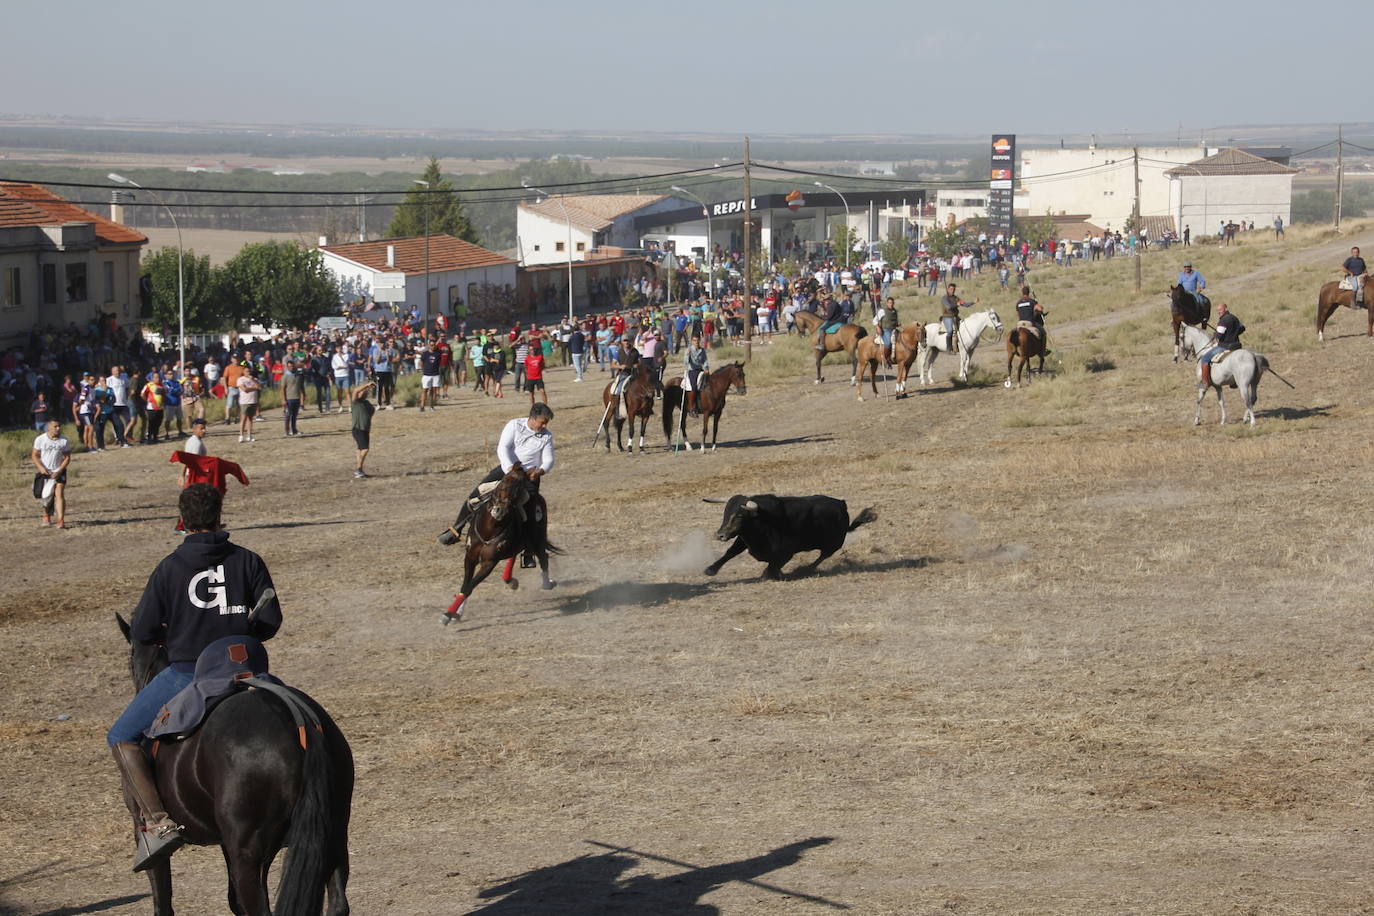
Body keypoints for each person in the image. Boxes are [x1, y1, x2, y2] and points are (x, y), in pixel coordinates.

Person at [107, 483, 282, 872]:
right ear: (220, 516)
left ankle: (158, 823)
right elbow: (270, 620)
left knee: (120, 736)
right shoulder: (249, 560)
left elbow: (144, 632)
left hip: (190, 672)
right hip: (250, 670)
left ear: (183, 520)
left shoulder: (170, 567)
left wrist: (177, 631)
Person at [438, 403, 555, 545]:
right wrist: (510, 469)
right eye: (542, 423)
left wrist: (540, 471)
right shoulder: (514, 425)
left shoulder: (546, 436)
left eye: (546, 423)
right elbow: (503, 448)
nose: (544, 426)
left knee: (531, 510)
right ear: (533, 417)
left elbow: (549, 459)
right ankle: (456, 529)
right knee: (476, 494)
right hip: (507, 470)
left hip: (529, 477)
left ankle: (528, 549)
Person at [31, 419, 71, 528]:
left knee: (59, 495)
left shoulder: (64, 440)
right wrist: (41, 468)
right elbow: (34, 455)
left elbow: (67, 457)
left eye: (59, 426)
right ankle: (46, 516)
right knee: (46, 496)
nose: (58, 428)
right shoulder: (40, 439)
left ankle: (61, 520)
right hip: (45, 471)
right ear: (49, 427)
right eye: (55, 426)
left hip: (59, 471)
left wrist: (60, 470)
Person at [1197, 301, 1244, 389]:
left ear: (1226, 309)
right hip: (1237, 345)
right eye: (1218, 310)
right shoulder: (1234, 318)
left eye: (1220, 310)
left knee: (1205, 359)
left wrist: (1215, 334)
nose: (1219, 312)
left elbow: (1218, 335)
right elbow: (1242, 328)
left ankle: (1205, 383)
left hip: (1224, 346)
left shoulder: (1223, 320)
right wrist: (1232, 333)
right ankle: (1234, 382)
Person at [351, 379, 376, 479]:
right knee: (365, 449)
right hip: (357, 428)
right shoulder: (355, 402)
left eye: (364, 392)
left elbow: (372, 412)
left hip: (365, 429)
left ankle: (359, 469)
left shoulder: (367, 403)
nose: (362, 392)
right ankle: (358, 469)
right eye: (362, 391)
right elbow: (355, 391)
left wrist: (368, 389)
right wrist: (367, 385)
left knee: (360, 449)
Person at [1014, 285, 1049, 354]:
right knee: (1043, 332)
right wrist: (1037, 303)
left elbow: (1017, 314)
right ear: (1028, 293)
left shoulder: (1018, 303)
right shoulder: (1031, 301)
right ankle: (1043, 350)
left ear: (1022, 293)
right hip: (1029, 323)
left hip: (1020, 323)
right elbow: (1040, 309)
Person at [682, 333, 709, 415]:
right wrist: (687, 354)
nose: (696, 342)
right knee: (694, 387)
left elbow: (705, 360)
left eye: (697, 340)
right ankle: (692, 407)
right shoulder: (689, 350)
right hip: (692, 370)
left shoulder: (702, 350)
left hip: (700, 370)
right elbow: (685, 362)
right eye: (694, 340)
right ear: (692, 341)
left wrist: (706, 368)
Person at [940, 284, 972, 351]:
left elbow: (964, 304)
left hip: (955, 316)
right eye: (951, 289)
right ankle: (949, 348)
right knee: (950, 331)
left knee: (964, 327)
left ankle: (961, 345)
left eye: (954, 290)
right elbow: (949, 306)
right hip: (947, 317)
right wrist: (956, 304)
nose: (952, 291)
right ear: (948, 289)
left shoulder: (956, 298)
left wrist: (973, 302)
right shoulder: (944, 298)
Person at [236, 366, 261, 443]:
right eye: (247, 371)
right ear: (243, 372)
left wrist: (252, 380)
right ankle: (241, 435)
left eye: (249, 371)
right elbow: (245, 389)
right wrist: (254, 388)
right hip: (244, 402)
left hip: (253, 401)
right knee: (243, 419)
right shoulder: (240, 379)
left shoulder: (254, 379)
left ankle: (249, 435)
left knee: (250, 419)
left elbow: (259, 387)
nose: (248, 373)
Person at [280, 359, 304, 436]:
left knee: (294, 415)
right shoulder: (285, 376)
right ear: (287, 367)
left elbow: (301, 386)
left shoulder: (298, 375)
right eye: (289, 366)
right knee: (288, 415)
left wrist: (303, 395)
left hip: (296, 398)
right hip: (289, 398)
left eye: (292, 366)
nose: (291, 368)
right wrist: (283, 399)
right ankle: (287, 431)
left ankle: (294, 430)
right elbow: (282, 388)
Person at [875, 297, 900, 366]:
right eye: (889, 303)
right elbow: (875, 320)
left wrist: (897, 324)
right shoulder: (882, 311)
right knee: (888, 343)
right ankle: (884, 358)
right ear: (887, 303)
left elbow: (895, 321)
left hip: (894, 329)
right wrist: (878, 328)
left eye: (892, 303)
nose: (891, 304)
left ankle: (896, 357)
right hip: (885, 329)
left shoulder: (894, 311)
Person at [418, 344, 441, 412]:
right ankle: (422, 406)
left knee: (434, 391)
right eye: (431, 345)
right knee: (425, 390)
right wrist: (424, 369)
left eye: (433, 345)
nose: (432, 346)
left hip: (435, 374)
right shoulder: (425, 354)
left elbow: (438, 363)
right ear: (428, 346)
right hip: (427, 375)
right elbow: (421, 362)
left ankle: (432, 406)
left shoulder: (437, 354)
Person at [524, 340, 547, 406]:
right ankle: (533, 407)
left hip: (538, 377)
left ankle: (545, 406)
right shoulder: (527, 358)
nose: (532, 351)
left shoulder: (539, 357)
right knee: (531, 394)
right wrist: (528, 373)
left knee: (542, 391)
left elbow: (542, 365)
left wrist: (539, 370)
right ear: (529, 351)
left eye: (533, 349)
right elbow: (525, 367)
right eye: (530, 350)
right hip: (530, 378)